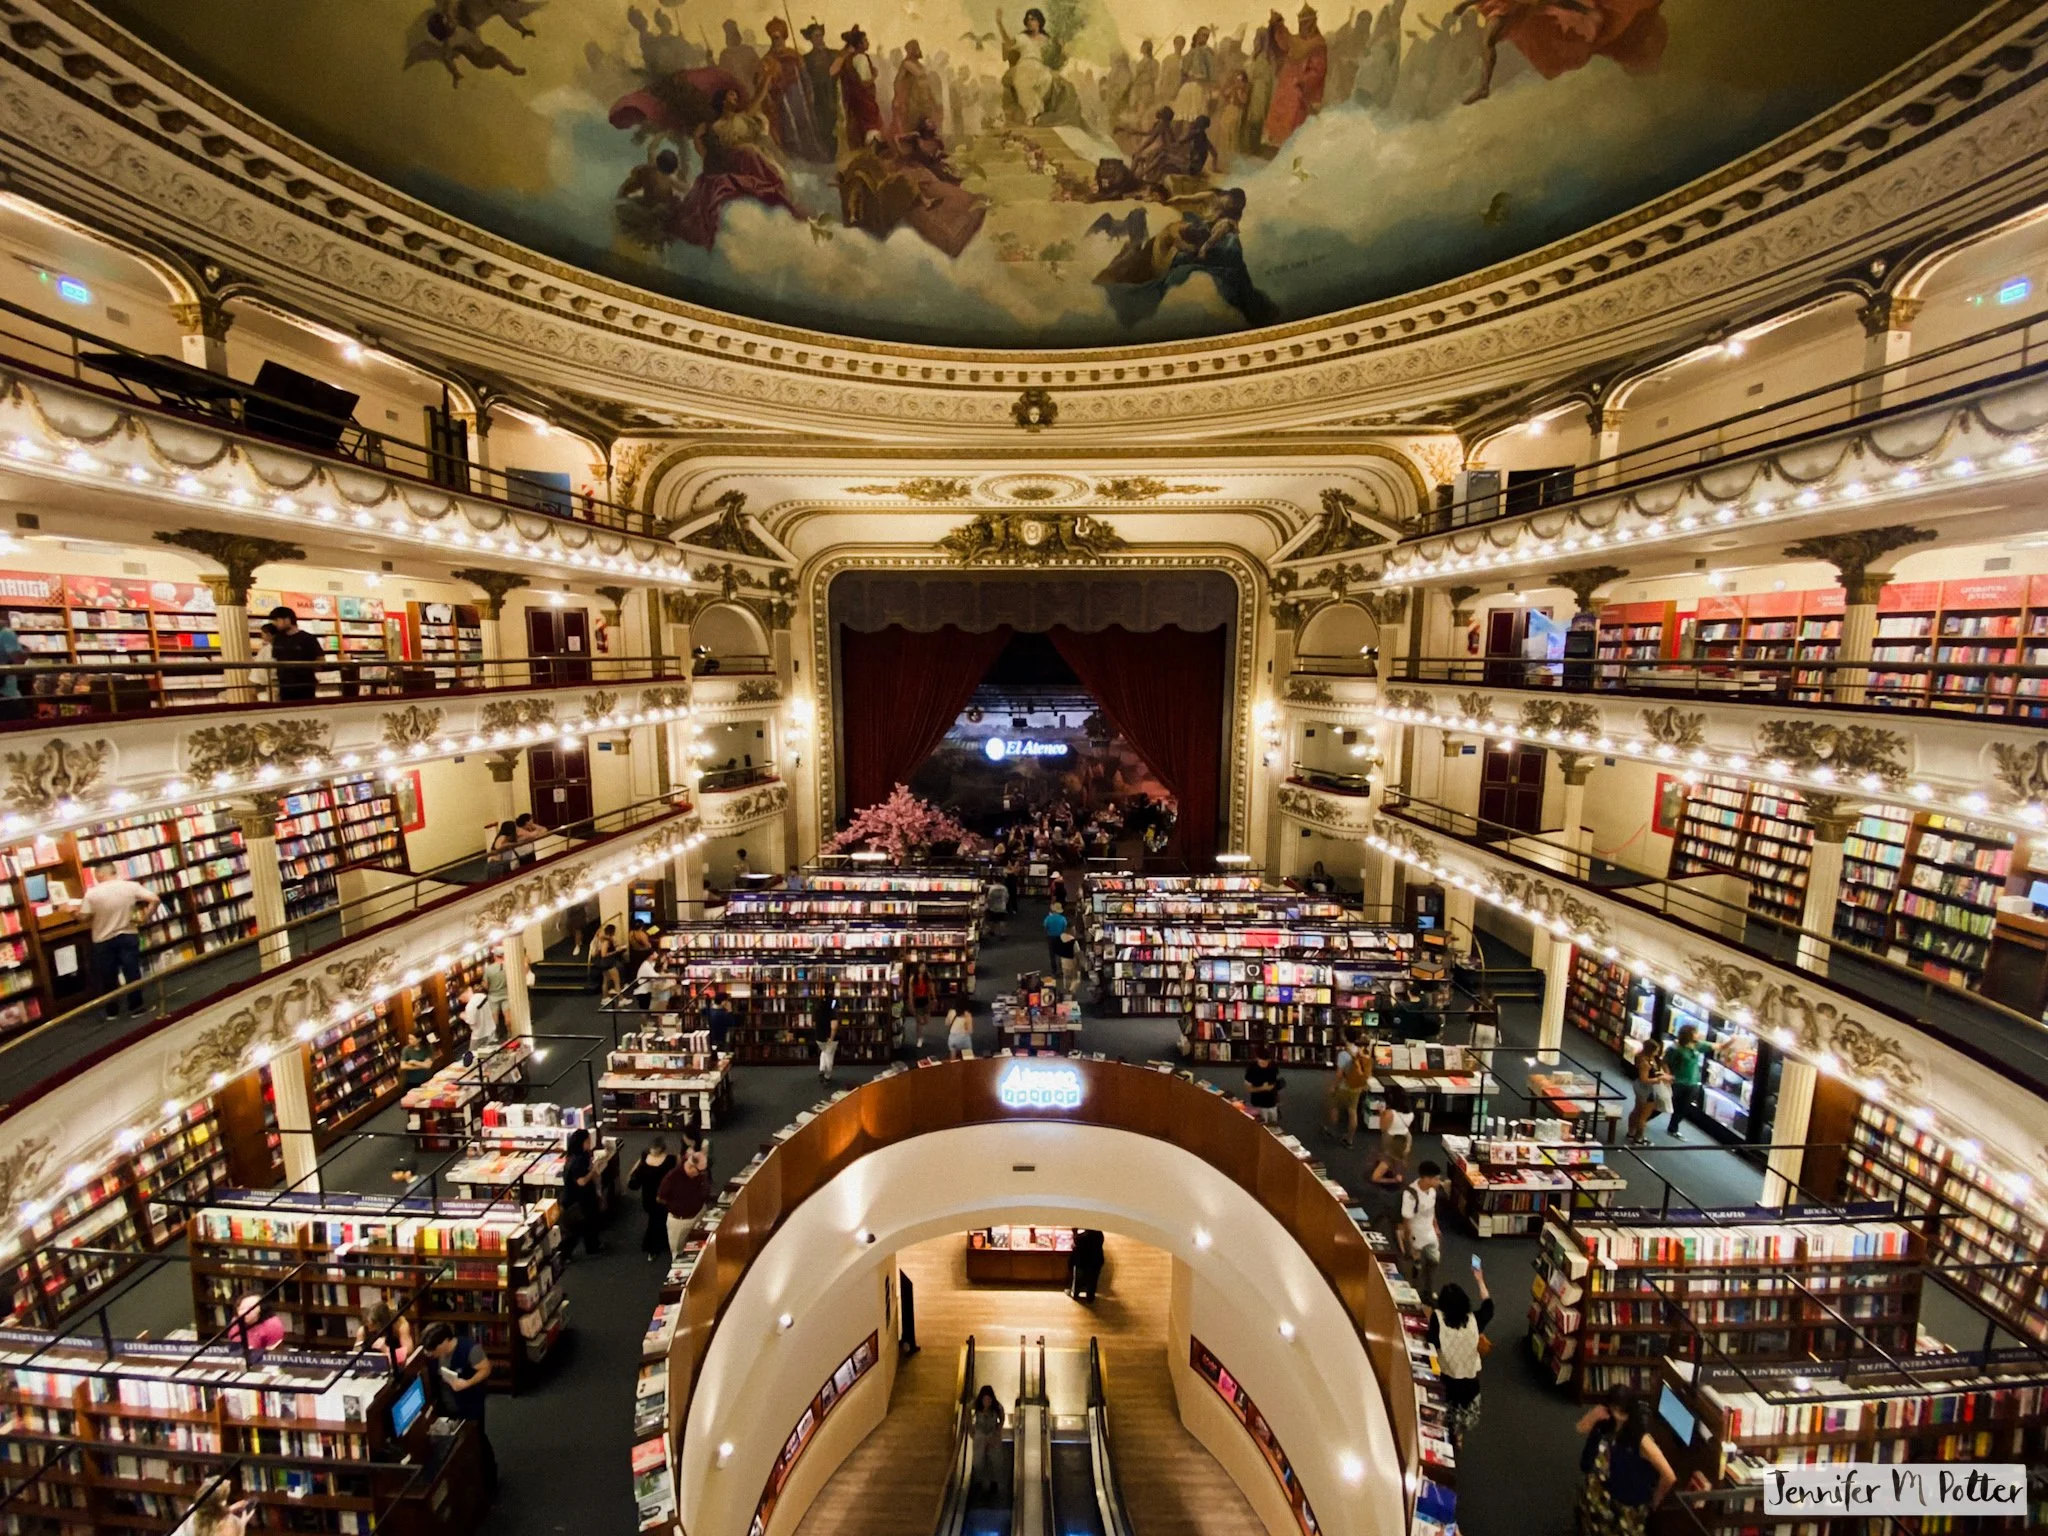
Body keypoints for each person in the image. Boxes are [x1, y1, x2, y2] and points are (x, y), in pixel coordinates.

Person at [1575, 1387, 1676, 1534]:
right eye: (1613, 1408)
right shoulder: (1605, 1422)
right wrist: (1593, 1415)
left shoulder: (1641, 1440)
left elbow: (1669, 1475)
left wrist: (1655, 1499)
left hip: (1626, 1502)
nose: (1616, 1415)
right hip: (1600, 1489)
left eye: (1621, 1411)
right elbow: (1580, 1428)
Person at [419, 1322, 495, 1492]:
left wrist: (466, 1383)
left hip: (470, 1404)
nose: (430, 1354)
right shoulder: (433, 1354)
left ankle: (490, 1483)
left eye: (433, 1350)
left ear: (444, 1342)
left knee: (478, 1440)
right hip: (445, 1405)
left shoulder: (469, 1349)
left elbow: (485, 1369)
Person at [1428, 1261, 1494, 1453]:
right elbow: (1489, 1306)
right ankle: (1458, 1437)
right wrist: (1480, 1280)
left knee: (1443, 1412)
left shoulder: (1438, 1319)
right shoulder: (1475, 1321)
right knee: (1459, 1415)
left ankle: (1446, 1438)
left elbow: (1432, 1342)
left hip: (1446, 1380)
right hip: (1469, 1385)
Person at [84, 875, 160, 1020]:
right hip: (127, 933)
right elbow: (155, 899)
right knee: (132, 971)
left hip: (102, 938)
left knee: (108, 975)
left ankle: (112, 1011)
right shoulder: (130, 886)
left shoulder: (92, 893)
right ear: (114, 872)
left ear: (97, 875)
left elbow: (83, 916)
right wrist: (145, 917)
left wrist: (71, 911)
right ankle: (136, 1008)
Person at [1399, 1162, 1444, 1302]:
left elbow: (1432, 1210)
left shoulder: (1432, 1191)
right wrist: (1408, 1243)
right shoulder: (1410, 1194)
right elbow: (1406, 1221)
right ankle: (1414, 1293)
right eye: (1436, 1179)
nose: (1439, 1182)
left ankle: (1428, 1290)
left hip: (1429, 1232)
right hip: (1416, 1235)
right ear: (1426, 1179)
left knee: (1434, 1260)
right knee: (1414, 1266)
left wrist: (1436, 1226)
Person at [658, 1144, 712, 1255]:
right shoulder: (672, 1178)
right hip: (680, 1221)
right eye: (699, 1171)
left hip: (699, 1212)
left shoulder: (699, 1174)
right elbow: (660, 1198)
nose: (702, 1174)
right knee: (678, 1250)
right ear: (691, 1167)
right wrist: (676, 1206)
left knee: (702, 1242)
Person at [627, 1139, 675, 1263]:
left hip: (648, 1199)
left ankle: (654, 1246)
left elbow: (633, 1184)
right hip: (665, 1198)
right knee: (658, 1221)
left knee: (655, 1220)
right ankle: (654, 1246)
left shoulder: (643, 1164)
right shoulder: (670, 1160)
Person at [266, 606, 325, 703]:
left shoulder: (308, 638)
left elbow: (320, 660)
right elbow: (275, 660)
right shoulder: (278, 639)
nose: (275, 623)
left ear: (287, 619)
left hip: (304, 685)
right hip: (284, 685)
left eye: (277, 620)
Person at [1325, 1029, 1371, 1146]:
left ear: (1345, 1037)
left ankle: (1331, 1130)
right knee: (1352, 1112)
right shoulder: (1360, 1051)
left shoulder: (1343, 1054)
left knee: (1335, 1107)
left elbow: (1339, 1074)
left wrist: (1333, 1086)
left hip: (1344, 1087)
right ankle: (1349, 1139)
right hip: (1356, 1087)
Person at [561, 1128, 604, 1256]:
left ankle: (592, 1246)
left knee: (590, 1223)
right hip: (578, 1199)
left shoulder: (580, 1155)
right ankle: (566, 1253)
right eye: (588, 1141)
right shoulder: (577, 1161)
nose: (590, 1143)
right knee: (577, 1227)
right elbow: (581, 1181)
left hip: (584, 1197)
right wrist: (593, 1171)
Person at [1664, 1024, 1705, 1139]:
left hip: (1692, 1084)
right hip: (1677, 1082)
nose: (1699, 1035)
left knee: (1683, 1108)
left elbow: (1718, 1046)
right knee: (1663, 1103)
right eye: (1696, 1032)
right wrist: (1668, 1075)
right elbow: (1665, 1061)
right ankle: (1642, 1120)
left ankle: (1673, 1128)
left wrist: (1733, 1040)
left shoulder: (1698, 1046)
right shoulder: (1675, 1048)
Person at [1626, 1042, 1670, 1147]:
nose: (1657, 1052)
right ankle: (1638, 1138)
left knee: (1637, 1109)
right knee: (1644, 1115)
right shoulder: (1645, 1063)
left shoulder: (1644, 1058)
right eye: (1656, 1050)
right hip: (1646, 1089)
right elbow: (1644, 1079)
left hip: (1641, 1088)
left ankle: (1631, 1133)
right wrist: (1659, 1079)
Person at [1370, 1084, 1415, 1185]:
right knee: (1400, 1158)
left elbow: (1383, 1128)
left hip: (1391, 1140)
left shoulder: (1390, 1113)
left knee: (1386, 1161)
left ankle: (1393, 1179)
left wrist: (1382, 1113)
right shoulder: (1411, 1113)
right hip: (1405, 1138)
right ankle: (1398, 1173)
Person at [968, 1384, 1006, 1496]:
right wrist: (971, 1429)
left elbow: (1002, 1417)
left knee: (994, 1459)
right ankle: (978, 1481)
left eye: (989, 1399)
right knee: (978, 1459)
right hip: (980, 1434)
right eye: (985, 1399)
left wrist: (998, 1430)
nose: (987, 1402)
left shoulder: (997, 1407)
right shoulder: (976, 1405)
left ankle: (994, 1481)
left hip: (992, 1434)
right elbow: (967, 1411)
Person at [358, 1300, 413, 1371]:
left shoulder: (400, 1325)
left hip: (395, 1367)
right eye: (368, 1325)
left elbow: (408, 1351)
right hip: (372, 1369)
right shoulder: (362, 1330)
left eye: (373, 1325)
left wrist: (385, 1349)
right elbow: (356, 1357)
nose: (370, 1329)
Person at [1244, 1043, 1282, 1125]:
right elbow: (1248, 1088)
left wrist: (1277, 1098)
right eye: (1262, 1061)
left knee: (1273, 1126)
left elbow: (1274, 1083)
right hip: (1258, 1104)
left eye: (1267, 1061)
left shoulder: (1273, 1066)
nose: (1265, 1064)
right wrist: (1263, 1088)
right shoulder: (1252, 1068)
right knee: (1261, 1128)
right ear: (1257, 1058)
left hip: (1272, 1103)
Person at [591, 925, 627, 1002]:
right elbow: (604, 954)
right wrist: (616, 951)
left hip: (602, 963)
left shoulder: (601, 939)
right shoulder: (606, 941)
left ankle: (605, 998)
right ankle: (621, 999)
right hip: (608, 963)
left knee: (605, 981)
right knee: (616, 981)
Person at [1070, 1228, 1106, 1303]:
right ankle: (1090, 1296)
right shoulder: (1099, 1234)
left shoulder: (1084, 1237)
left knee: (1079, 1278)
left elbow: (1077, 1241)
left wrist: (1074, 1232)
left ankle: (1076, 1294)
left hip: (1083, 1261)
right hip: (1096, 1261)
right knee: (1093, 1279)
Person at [813, 994, 840, 1084]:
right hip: (829, 1038)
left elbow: (814, 1023)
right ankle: (827, 1077)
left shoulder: (816, 1011)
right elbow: (834, 1027)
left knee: (824, 1051)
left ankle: (821, 1069)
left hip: (819, 1038)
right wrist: (831, 1039)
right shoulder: (832, 1012)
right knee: (829, 1056)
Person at [907, 962, 935, 1036]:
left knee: (926, 1021)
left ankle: (920, 1022)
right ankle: (919, 1037)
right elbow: (910, 993)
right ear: (917, 968)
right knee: (919, 1021)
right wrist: (911, 1003)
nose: (923, 969)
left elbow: (931, 987)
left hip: (925, 999)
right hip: (917, 1000)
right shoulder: (913, 978)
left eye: (924, 967)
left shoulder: (927, 976)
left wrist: (934, 998)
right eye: (921, 967)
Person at [1054, 925, 1081, 996]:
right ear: (1070, 930)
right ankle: (1071, 992)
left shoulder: (1060, 938)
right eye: (1074, 930)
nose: (1075, 931)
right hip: (1072, 962)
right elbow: (1077, 953)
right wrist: (1079, 963)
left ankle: (1066, 993)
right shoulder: (1073, 941)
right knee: (1076, 979)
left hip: (1063, 961)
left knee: (1066, 978)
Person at [1043, 902, 1068, 972]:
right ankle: (1061, 968)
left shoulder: (1048, 918)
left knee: (1052, 954)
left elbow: (1045, 927)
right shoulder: (1063, 919)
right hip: (1060, 937)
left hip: (1051, 937)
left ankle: (1054, 969)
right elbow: (1064, 928)